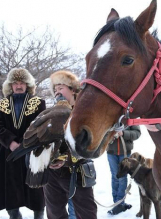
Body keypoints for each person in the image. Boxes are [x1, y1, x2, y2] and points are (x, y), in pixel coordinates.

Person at [43, 70, 98, 219]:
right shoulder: (50, 113)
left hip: (77, 170)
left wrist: (65, 158)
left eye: (60, 88)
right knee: (54, 213)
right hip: (52, 173)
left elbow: (91, 144)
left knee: (86, 214)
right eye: (55, 90)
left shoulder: (86, 113)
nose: (57, 92)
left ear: (73, 90)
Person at [0, 68, 46, 219]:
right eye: (15, 83)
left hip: (33, 152)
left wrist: (26, 143)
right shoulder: (1, 104)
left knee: (36, 190)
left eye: (22, 82)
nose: (18, 85)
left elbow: (40, 125)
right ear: (10, 85)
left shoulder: (39, 103)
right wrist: (11, 142)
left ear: (28, 84)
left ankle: (39, 216)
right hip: (8, 153)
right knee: (11, 191)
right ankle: (14, 216)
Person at [106, 125, 141, 215]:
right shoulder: (109, 115)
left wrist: (124, 133)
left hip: (125, 153)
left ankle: (119, 203)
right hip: (111, 153)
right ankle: (117, 203)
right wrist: (110, 135)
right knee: (115, 177)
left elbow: (137, 133)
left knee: (122, 177)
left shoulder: (129, 116)